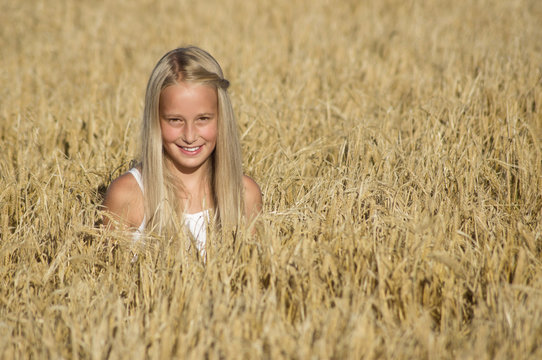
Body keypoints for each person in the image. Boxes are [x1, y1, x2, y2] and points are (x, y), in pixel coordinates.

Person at [102, 46, 262, 253]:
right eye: (175, 120)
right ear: (155, 122)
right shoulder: (127, 195)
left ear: (222, 118)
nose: (189, 136)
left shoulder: (244, 194)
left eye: (203, 119)